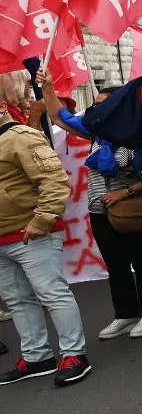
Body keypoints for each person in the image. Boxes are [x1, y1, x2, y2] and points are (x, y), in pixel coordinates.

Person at [39, 73, 142, 340]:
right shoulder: (95, 132)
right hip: (99, 209)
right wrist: (48, 88)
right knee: (115, 263)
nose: (97, 111)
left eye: (104, 105)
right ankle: (125, 314)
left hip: (135, 209)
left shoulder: (139, 134)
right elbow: (59, 116)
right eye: (95, 105)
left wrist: (126, 191)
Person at [0, 71, 90, 386]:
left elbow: (54, 181)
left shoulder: (19, 136)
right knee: (19, 301)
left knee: (51, 293)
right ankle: (37, 357)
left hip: (30, 233)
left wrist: (41, 220)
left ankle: (74, 354)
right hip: (4, 239)